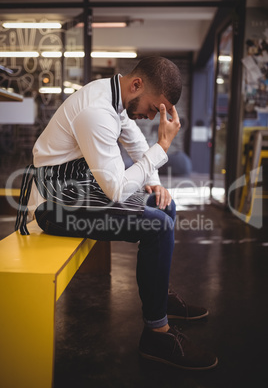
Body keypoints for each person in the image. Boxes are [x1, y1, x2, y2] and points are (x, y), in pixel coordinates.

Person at [16, 56, 218, 370]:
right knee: (158, 226)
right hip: (52, 206)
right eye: (154, 108)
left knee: (165, 204)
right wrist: (162, 147)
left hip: (79, 191)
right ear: (137, 84)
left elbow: (135, 140)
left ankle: (159, 295)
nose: (152, 116)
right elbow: (116, 189)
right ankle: (157, 331)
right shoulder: (97, 112)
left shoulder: (113, 95)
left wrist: (153, 183)